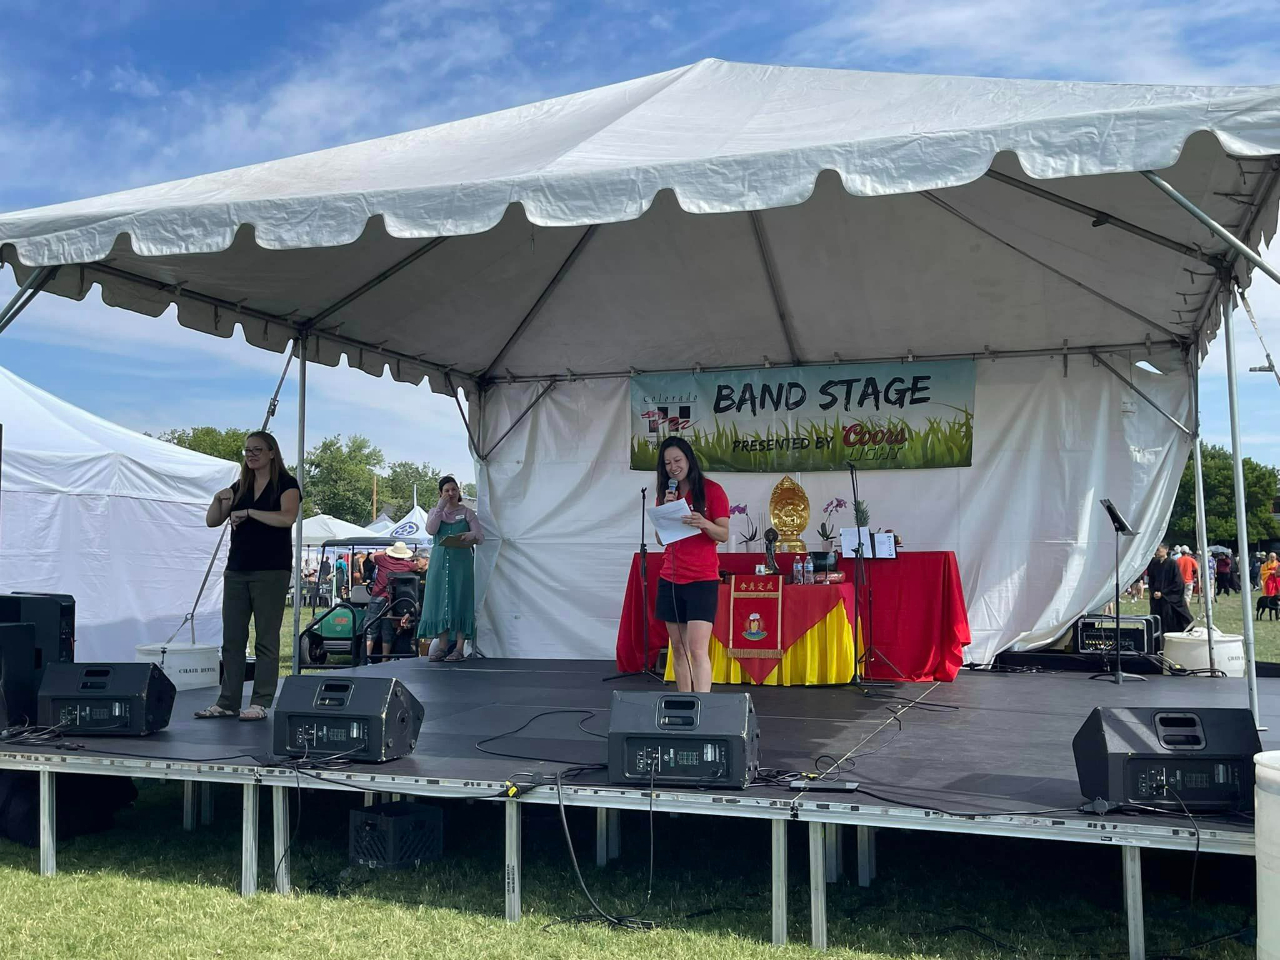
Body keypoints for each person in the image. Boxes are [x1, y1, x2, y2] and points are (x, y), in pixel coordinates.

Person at [196, 431, 300, 721]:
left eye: (257, 450)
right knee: (232, 638)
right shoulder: (241, 485)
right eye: (247, 450)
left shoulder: (287, 484)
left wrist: (251, 513)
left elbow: (287, 517)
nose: (251, 455)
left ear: (271, 452)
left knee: (266, 638)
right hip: (237, 569)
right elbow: (212, 521)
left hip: (272, 569)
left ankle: (260, 701)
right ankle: (227, 701)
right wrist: (218, 499)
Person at [652, 437, 730, 693]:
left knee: (697, 649)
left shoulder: (712, 490)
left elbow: (723, 534)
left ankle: (702, 706)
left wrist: (703, 523)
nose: (673, 467)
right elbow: (661, 539)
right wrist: (666, 510)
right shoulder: (666, 495)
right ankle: (685, 701)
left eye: (677, 460)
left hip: (702, 580)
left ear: (689, 460)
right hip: (671, 577)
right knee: (678, 648)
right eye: (667, 463)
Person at [419, 476, 484, 661]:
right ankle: (442, 646)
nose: (451, 493)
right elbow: (431, 530)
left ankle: (459, 648)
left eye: (454, 489)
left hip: (461, 562)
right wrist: (440, 508)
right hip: (439, 563)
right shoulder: (435, 512)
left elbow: (481, 537)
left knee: (460, 599)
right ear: (440, 493)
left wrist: (471, 535)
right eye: (446, 490)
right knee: (440, 601)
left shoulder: (467, 512)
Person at [364, 541, 417, 663]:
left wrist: (386, 551)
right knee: (387, 630)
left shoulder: (383, 559)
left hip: (378, 597)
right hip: (394, 600)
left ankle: (367, 658)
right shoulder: (407, 565)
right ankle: (384, 660)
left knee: (370, 628)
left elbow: (371, 556)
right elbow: (417, 566)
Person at [1147, 542, 1192, 635]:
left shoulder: (1172, 563)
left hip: (1168, 598)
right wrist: (1153, 592)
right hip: (1156, 599)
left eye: (1158, 549)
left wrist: (1163, 593)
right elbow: (1151, 580)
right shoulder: (1154, 563)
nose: (1156, 552)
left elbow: (1178, 583)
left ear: (1166, 550)